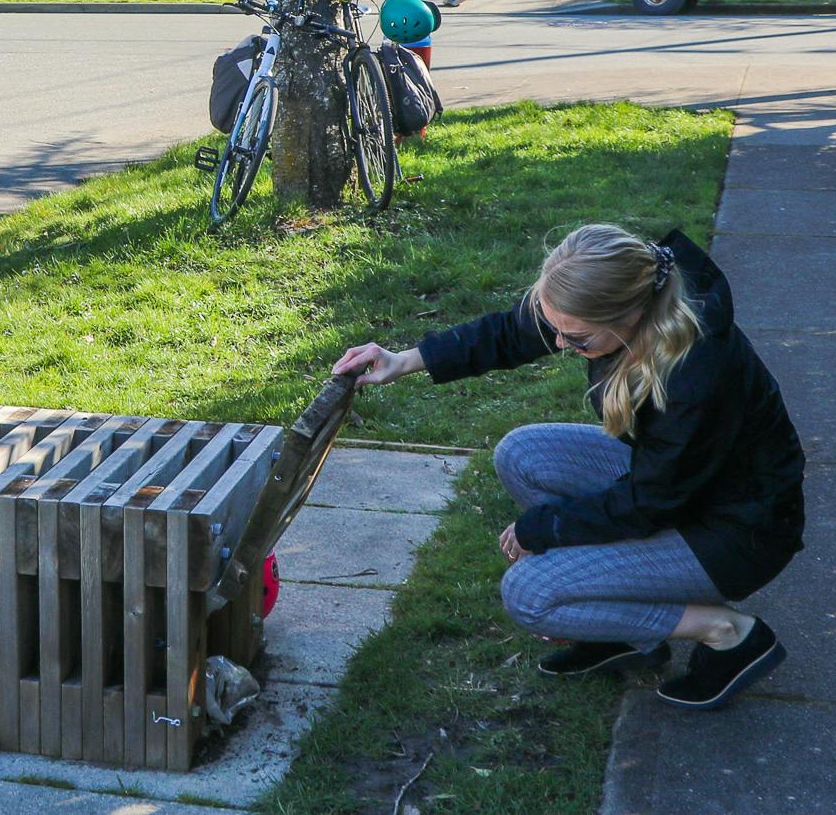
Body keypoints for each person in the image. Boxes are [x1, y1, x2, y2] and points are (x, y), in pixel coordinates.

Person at [334, 223, 805, 710]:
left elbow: (648, 503)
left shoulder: (697, 371)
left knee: (532, 593)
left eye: (576, 339)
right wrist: (406, 360)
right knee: (522, 455)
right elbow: (511, 333)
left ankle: (728, 632)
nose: (559, 344)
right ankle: (622, 630)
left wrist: (544, 528)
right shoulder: (635, 292)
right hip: (681, 486)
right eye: (554, 325)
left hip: (736, 532)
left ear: (630, 317)